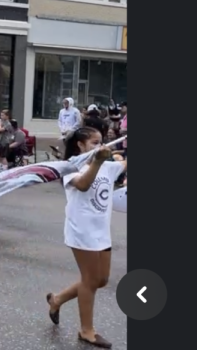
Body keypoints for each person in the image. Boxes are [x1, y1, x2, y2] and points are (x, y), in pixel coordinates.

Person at [45, 126, 122, 348]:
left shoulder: (109, 166)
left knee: (101, 280)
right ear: (80, 145)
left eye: (102, 142)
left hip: (101, 231)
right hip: (82, 231)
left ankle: (57, 300)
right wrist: (97, 161)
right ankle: (86, 331)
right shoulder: (71, 167)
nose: (99, 146)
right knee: (90, 281)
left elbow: (123, 164)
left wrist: (115, 156)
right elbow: (83, 184)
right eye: (94, 143)